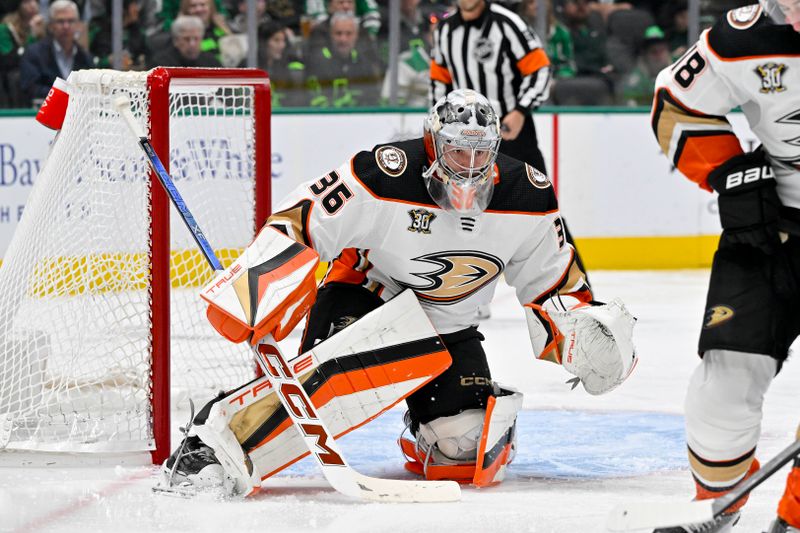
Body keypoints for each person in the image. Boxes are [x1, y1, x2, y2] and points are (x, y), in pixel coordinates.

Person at [157, 88, 638, 496]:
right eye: (456, 152)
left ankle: (421, 426)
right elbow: (302, 219)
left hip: (447, 326)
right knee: (322, 397)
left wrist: (579, 328)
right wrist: (260, 284)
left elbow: (553, 281)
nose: (468, 167)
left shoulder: (528, 194)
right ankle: (211, 437)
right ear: (433, 143)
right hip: (368, 300)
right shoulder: (385, 172)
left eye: (479, 154)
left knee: (462, 452)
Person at [650, 2, 800, 531]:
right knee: (723, 388)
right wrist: (729, 171)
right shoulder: (745, 38)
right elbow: (674, 102)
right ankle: (719, 507)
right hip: (769, 234)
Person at [430, 0, 590, 300]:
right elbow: (439, 81)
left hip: (510, 131)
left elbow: (540, 69)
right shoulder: (445, 30)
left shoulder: (506, 23)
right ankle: (463, 288)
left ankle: (575, 289)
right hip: (464, 139)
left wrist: (520, 110)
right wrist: (440, 124)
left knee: (541, 206)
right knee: (460, 209)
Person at [18, 0, 94, 106]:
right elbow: (30, 88)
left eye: (71, 21)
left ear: (77, 25)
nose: (66, 26)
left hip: (77, 115)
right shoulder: (34, 53)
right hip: (42, 114)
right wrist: (65, 94)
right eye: (60, 21)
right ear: (50, 26)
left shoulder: (85, 57)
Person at [305, 11, 383, 107]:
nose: (343, 39)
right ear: (331, 35)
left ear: (356, 36)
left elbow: (373, 100)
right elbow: (312, 100)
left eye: (348, 34)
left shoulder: (364, 62)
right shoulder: (316, 61)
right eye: (338, 33)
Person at [619, 25, 670, 106]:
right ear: (645, 54)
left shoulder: (677, 68)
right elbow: (627, 96)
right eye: (654, 51)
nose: (658, 56)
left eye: (662, 50)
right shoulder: (635, 77)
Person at [147, 15, 221, 67]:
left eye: (196, 38)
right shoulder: (161, 65)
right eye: (186, 39)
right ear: (176, 40)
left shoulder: (211, 62)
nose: (192, 44)